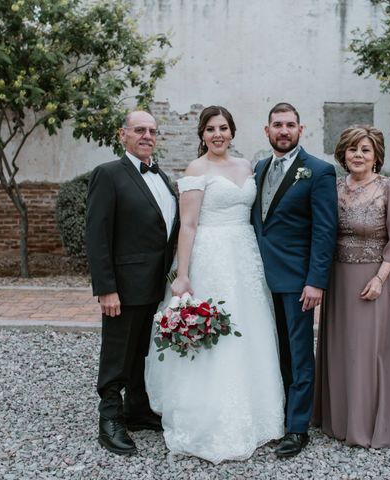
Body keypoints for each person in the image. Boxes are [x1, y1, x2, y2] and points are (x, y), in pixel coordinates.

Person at [145, 106, 284, 464]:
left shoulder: (247, 167)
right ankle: (207, 416)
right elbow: (188, 225)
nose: (217, 134)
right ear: (202, 135)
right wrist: (183, 274)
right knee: (215, 334)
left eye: (223, 128)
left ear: (233, 131)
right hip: (211, 255)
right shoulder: (196, 169)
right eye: (210, 129)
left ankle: (256, 415)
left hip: (246, 258)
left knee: (251, 329)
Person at [85, 110, 179, 455]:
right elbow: (97, 236)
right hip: (123, 285)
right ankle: (109, 418)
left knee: (144, 349)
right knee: (118, 352)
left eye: (152, 130)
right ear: (122, 134)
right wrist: (106, 288)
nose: (147, 135)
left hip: (157, 285)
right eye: (139, 129)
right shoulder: (108, 174)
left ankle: (137, 409)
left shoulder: (163, 177)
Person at [312, 125, 390, 448]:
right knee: (339, 348)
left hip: (371, 280)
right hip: (337, 278)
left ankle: (367, 424)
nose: (358, 155)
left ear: (376, 156)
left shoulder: (388, 188)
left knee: (366, 351)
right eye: (353, 149)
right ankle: (338, 420)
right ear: (343, 153)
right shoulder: (335, 188)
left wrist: (380, 279)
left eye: (365, 150)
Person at [251, 102, 338, 458]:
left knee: (299, 354)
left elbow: (325, 231)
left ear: (301, 130)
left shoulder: (318, 171)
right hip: (257, 279)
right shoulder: (259, 168)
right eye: (277, 125)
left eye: (289, 125)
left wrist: (316, 281)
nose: (283, 130)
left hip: (297, 279)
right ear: (267, 130)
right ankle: (277, 414)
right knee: (272, 352)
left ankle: (297, 428)